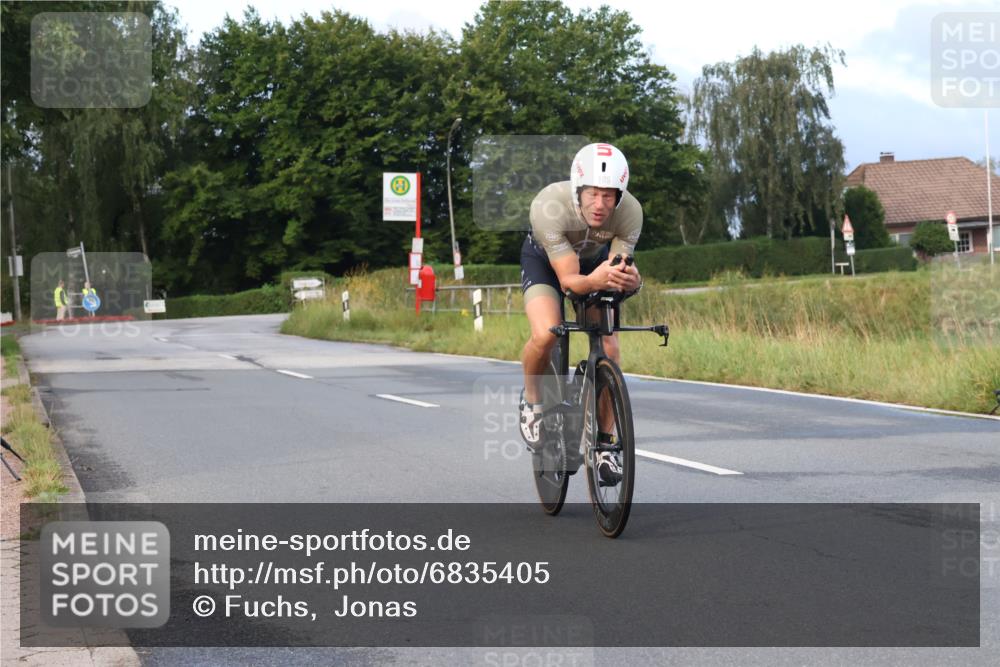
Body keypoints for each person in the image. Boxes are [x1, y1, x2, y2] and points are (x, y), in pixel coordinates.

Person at [518, 143, 643, 486]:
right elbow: (570, 283)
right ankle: (532, 403)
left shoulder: (631, 212)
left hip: (593, 263)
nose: (600, 205)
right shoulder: (549, 206)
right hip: (547, 264)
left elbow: (618, 270)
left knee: (611, 349)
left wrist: (632, 280)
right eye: (592, 194)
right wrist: (598, 279)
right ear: (578, 189)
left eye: (609, 196)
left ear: (620, 195)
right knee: (546, 333)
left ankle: (605, 443)